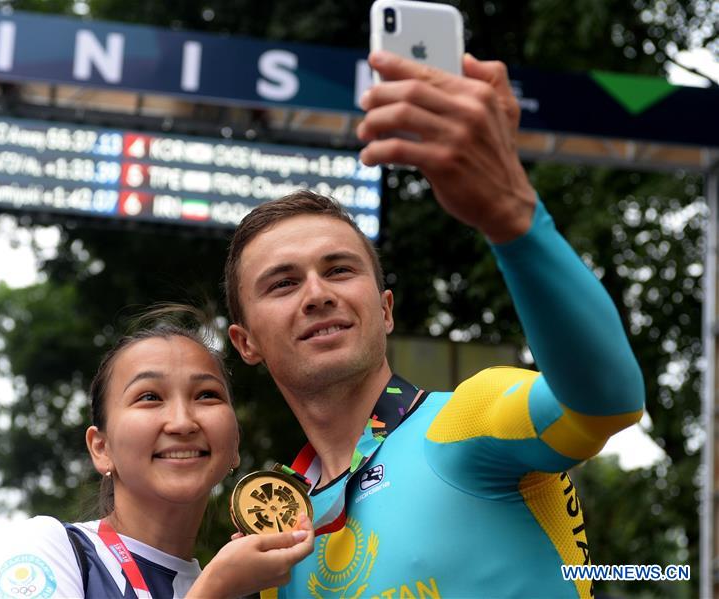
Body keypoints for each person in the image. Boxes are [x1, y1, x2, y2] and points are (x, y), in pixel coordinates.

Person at [223, 51, 645, 598]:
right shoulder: (276, 540)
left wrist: (513, 219)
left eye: (340, 269)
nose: (317, 294)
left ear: (385, 308)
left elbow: (606, 401)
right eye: (282, 283)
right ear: (246, 342)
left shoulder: (469, 423)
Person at [0, 307, 314, 599]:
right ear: (101, 448)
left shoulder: (246, 588)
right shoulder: (46, 550)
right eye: (150, 397)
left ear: (235, 445)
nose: (182, 422)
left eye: (207, 395)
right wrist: (214, 590)